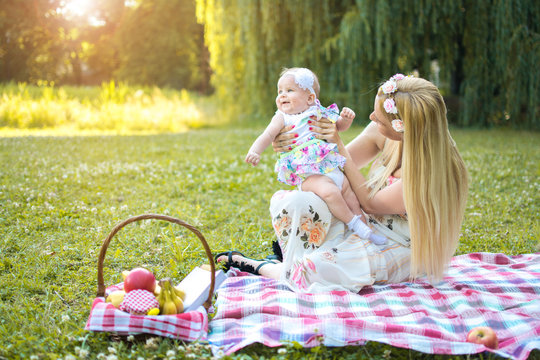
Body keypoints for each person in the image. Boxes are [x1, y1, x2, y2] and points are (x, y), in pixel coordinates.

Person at [217, 74, 468, 293]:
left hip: (403, 247)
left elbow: (370, 203)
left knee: (314, 271)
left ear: (404, 128)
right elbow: (334, 168)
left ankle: (258, 265)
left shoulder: (434, 170)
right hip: (367, 226)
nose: (372, 118)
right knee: (299, 200)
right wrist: (295, 143)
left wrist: (336, 142)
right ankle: (294, 259)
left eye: (379, 119)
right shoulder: (384, 133)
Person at [245, 67, 387, 246]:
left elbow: (338, 126)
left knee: (350, 194)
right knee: (331, 192)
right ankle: (354, 224)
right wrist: (255, 151)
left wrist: (346, 119)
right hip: (308, 175)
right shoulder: (282, 118)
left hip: (329, 167)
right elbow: (267, 135)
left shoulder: (318, 111)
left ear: (310, 98)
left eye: (289, 90)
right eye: (279, 91)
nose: (282, 95)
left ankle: (367, 234)